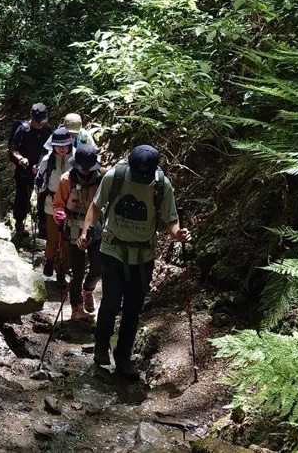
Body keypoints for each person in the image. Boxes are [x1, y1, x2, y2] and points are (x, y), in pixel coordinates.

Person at [79, 145, 191, 379]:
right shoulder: (116, 176)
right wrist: (85, 231)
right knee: (110, 300)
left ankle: (123, 357)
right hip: (113, 248)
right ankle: (101, 346)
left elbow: (171, 219)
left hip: (142, 256)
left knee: (132, 307)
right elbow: (96, 206)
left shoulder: (161, 184)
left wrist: (178, 233)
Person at [54, 144, 104, 322]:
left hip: (95, 228)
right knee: (78, 270)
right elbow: (58, 204)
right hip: (74, 226)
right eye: (82, 168)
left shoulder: (101, 179)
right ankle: (77, 307)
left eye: (87, 168)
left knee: (99, 267)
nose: (84, 171)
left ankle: (88, 290)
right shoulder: (66, 180)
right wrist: (59, 214)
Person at [9, 103, 53, 237]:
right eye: (38, 122)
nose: (40, 125)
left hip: (42, 170)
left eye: (42, 122)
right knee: (22, 198)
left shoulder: (47, 130)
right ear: (32, 117)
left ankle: (43, 227)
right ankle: (19, 224)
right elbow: (13, 148)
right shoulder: (23, 129)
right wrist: (21, 158)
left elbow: (51, 148)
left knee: (44, 198)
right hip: (24, 171)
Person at [35, 128, 74, 277]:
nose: (62, 149)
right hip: (51, 203)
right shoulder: (47, 160)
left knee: (67, 239)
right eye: (58, 146)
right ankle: (50, 260)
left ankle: (63, 269)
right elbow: (40, 181)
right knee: (52, 237)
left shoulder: (76, 159)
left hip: (71, 204)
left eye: (65, 145)